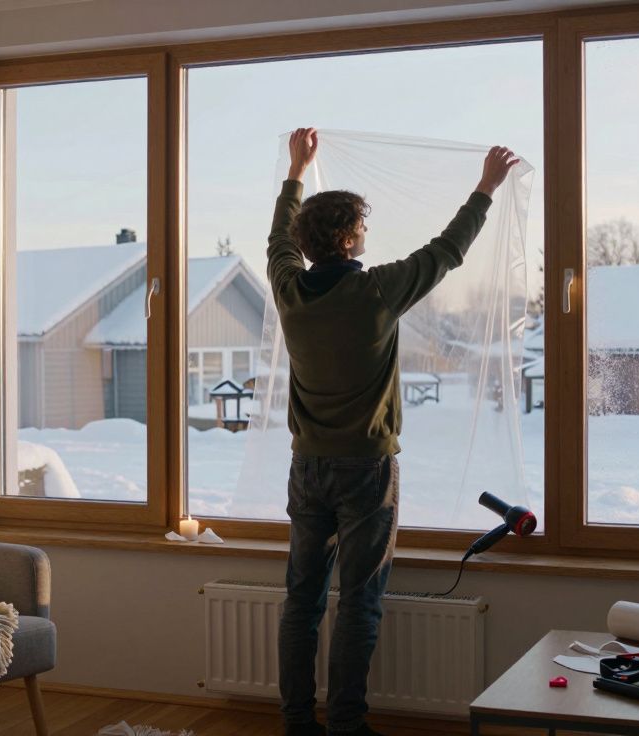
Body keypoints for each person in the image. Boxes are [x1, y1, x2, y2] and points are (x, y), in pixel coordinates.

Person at [268, 127, 520, 736]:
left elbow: (277, 237)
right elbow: (446, 250)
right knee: (358, 600)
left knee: (301, 601)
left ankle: (297, 725)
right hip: (366, 472)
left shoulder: (288, 290)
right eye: (362, 230)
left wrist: (297, 171)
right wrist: (485, 188)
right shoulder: (375, 291)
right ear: (352, 239)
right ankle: (348, 726)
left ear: (308, 242)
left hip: (308, 468)